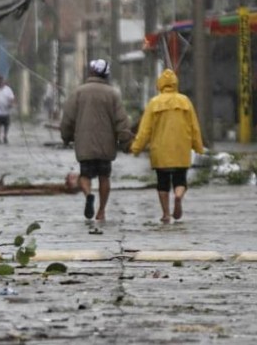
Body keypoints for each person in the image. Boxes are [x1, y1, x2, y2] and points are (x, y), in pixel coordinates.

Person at [60, 59, 132, 222]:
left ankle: (88, 194)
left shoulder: (78, 92)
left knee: (85, 175)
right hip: (106, 146)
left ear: (91, 72)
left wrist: (66, 137)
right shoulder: (113, 94)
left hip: (84, 144)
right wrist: (125, 141)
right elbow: (122, 121)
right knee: (104, 177)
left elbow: (68, 119)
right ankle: (101, 211)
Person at [130, 69, 204, 224]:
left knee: (162, 182)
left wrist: (136, 147)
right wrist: (198, 146)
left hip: (160, 150)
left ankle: (165, 213)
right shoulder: (185, 101)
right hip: (181, 149)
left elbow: (145, 129)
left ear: (160, 84)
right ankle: (178, 196)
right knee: (180, 180)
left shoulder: (154, 103)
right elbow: (194, 127)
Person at [0, 75, 16, 144]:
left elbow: (12, 98)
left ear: (3, 82)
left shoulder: (8, 90)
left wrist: (11, 104)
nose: (0, 83)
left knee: (6, 125)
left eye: (1, 82)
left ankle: (5, 136)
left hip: (6, 111)